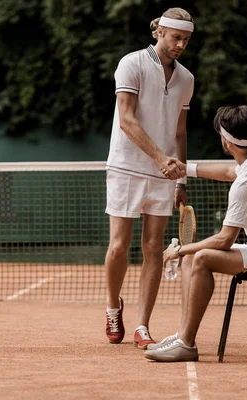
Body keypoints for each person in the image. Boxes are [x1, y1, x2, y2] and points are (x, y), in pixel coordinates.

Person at [143, 105, 247, 362]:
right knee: (192, 258)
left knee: (201, 257)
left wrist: (179, 249)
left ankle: (186, 343)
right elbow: (230, 171)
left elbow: (224, 240)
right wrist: (186, 168)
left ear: (227, 141)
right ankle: (183, 334)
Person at [104, 7, 195, 349]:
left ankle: (143, 325)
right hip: (127, 168)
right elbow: (126, 120)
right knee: (119, 246)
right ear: (159, 32)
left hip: (165, 174)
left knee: (154, 246)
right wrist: (160, 159)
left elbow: (180, 132)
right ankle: (113, 306)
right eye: (176, 37)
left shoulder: (187, 79)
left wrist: (181, 179)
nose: (181, 45)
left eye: (186, 39)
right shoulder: (132, 63)